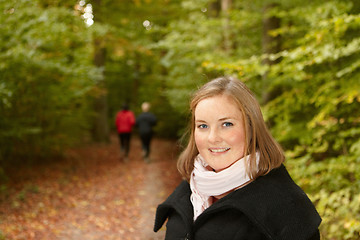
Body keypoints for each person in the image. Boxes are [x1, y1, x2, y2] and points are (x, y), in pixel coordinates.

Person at [154, 77, 321, 240]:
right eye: (203, 126)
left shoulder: (285, 205)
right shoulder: (189, 190)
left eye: (226, 124)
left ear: (251, 128)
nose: (212, 138)